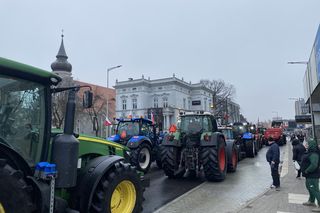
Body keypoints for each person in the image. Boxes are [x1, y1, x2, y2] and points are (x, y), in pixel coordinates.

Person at [301, 139, 320, 212]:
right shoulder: (310, 152)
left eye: (307, 144)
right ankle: (311, 201)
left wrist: (307, 170)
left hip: (313, 175)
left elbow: (314, 165)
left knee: (315, 190)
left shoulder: (314, 154)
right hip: (309, 175)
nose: (306, 145)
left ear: (311, 145)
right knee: (309, 188)